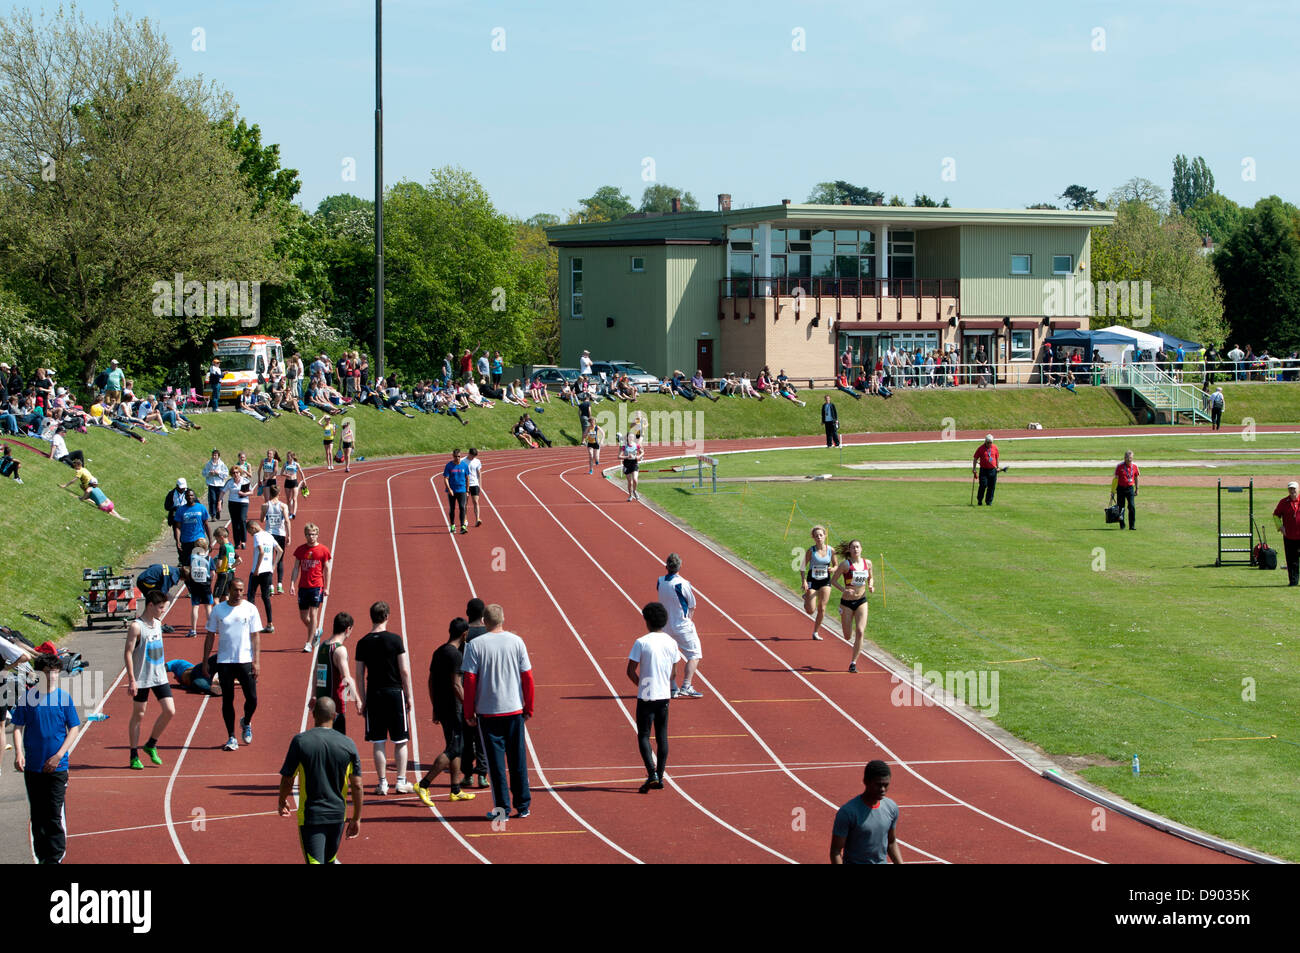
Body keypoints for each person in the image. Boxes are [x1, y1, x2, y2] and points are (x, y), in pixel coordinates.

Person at [461, 603, 533, 821]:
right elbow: (527, 677)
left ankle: (502, 809)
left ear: (484, 621)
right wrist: (528, 707)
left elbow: (470, 680)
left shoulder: (475, 644)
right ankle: (523, 806)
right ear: (503, 619)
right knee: (518, 759)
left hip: (488, 712)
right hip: (513, 710)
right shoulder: (517, 642)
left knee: (496, 764)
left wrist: (468, 710)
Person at [11, 646, 81, 863]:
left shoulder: (64, 698)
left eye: (54, 672)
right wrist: (18, 753)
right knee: (38, 815)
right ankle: (42, 856)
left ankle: (55, 857)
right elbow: (17, 726)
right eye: (46, 672)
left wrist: (59, 755)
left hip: (57, 768)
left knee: (53, 814)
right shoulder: (28, 698)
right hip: (33, 766)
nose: (51, 676)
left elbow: (74, 728)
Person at [278, 697, 363, 864]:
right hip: (338, 815)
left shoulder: (300, 742)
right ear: (334, 715)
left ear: (313, 714)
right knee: (329, 860)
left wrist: (282, 800)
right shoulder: (348, 744)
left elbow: (288, 778)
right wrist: (357, 818)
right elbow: (357, 785)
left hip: (312, 816)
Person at [415, 618, 478, 806]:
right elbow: (457, 685)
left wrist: (435, 707)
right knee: (453, 748)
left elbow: (430, 681)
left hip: (442, 707)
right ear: (464, 634)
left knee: (455, 746)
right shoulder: (456, 656)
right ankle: (424, 784)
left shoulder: (439, 652)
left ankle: (455, 790)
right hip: (453, 708)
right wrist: (469, 708)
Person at [355, 601, 415, 796]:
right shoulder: (396, 640)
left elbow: (359, 674)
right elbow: (404, 670)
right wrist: (408, 695)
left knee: (378, 740)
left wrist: (362, 699)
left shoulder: (362, 642)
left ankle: (382, 783)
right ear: (387, 616)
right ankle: (400, 781)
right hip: (394, 692)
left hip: (374, 693)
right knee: (401, 740)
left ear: (371, 617)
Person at [627, 601, 682, 794]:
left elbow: (630, 671)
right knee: (662, 735)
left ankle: (652, 774)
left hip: (646, 696)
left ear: (647, 621)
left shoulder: (642, 642)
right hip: (664, 695)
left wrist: (642, 685)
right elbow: (674, 673)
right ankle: (661, 774)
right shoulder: (671, 642)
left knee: (643, 734)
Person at [202, 577, 262, 751]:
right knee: (227, 700)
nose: (238, 593)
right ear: (229, 590)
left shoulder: (250, 609)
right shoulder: (218, 610)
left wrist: (256, 661)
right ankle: (231, 736)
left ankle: (246, 721)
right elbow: (210, 635)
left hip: (245, 661)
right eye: (235, 590)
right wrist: (205, 660)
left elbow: (255, 636)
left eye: (241, 590)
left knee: (252, 698)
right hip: (225, 662)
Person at [124, 590, 176, 769]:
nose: (163, 610)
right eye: (160, 607)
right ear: (150, 605)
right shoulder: (136, 627)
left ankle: (151, 744)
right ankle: (133, 754)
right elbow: (128, 653)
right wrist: (132, 680)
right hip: (142, 678)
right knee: (139, 714)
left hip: (159, 676)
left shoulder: (158, 623)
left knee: (170, 710)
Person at [830, 760, 902, 864]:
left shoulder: (891, 808)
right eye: (878, 784)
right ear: (866, 781)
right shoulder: (848, 812)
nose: (882, 789)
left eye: (886, 785)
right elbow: (835, 851)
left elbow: (891, 842)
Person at [656, 553, 703, 698]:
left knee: (670, 657)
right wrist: (688, 620)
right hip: (682, 625)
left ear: (666, 567)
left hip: (665, 626)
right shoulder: (683, 583)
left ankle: (672, 687)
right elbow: (692, 605)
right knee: (694, 654)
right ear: (680, 567)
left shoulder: (660, 581)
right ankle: (686, 686)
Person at [290, 521, 333, 653]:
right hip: (303, 586)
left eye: (313, 534)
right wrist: (292, 583)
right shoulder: (300, 550)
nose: (311, 537)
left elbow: (327, 569)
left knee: (313, 614)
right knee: (303, 616)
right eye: (309, 534)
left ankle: (309, 642)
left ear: (317, 535)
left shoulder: (323, 550)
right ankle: (316, 632)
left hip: (317, 586)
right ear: (305, 535)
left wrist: (327, 587)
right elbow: (296, 567)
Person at [831, 539, 873, 673]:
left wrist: (871, 585)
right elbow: (833, 581)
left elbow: (870, 577)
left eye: (857, 547)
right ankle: (842, 614)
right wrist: (844, 590)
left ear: (861, 549)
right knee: (847, 636)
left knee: (860, 631)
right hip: (847, 603)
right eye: (853, 547)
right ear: (849, 550)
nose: (855, 549)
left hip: (861, 601)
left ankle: (853, 662)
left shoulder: (868, 563)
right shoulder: (845, 565)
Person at [314, 612, 360, 733]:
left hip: (321, 705)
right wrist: (358, 701)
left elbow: (316, 672)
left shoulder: (323, 646)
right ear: (348, 629)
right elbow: (346, 678)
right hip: (335, 707)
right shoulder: (339, 650)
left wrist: (314, 694)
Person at [801, 525, 837, 640]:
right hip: (813, 580)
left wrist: (833, 569)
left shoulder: (831, 550)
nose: (819, 538)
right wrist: (804, 581)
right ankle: (807, 597)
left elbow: (836, 565)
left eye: (821, 535)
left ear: (825, 536)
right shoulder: (811, 551)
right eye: (816, 536)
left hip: (825, 581)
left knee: (822, 608)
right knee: (811, 610)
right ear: (813, 538)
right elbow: (802, 566)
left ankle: (816, 632)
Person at [246, 518, 282, 634]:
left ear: (253, 528)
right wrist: (274, 565)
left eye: (250, 532)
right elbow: (280, 551)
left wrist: (256, 569)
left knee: (251, 596)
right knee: (265, 597)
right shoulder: (269, 536)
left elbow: (261, 551)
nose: (251, 535)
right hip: (268, 571)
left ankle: (252, 624)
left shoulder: (257, 536)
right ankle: (270, 624)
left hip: (257, 571)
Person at [182, 535, 214, 639]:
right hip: (206, 584)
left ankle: (193, 630)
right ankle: (211, 629)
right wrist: (210, 581)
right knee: (208, 606)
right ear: (206, 547)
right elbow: (213, 573)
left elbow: (186, 569)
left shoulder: (191, 557)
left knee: (195, 607)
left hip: (194, 584)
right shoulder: (209, 559)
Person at [261, 485, 291, 594]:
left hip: (269, 534)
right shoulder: (283, 506)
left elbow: (261, 519)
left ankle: (271, 587)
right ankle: (279, 585)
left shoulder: (265, 505)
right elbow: (287, 521)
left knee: (269, 559)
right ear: (279, 494)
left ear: (270, 494)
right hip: (280, 534)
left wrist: (266, 517)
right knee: (280, 560)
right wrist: (289, 536)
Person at [1273, 481, 1300, 587]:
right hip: (1289, 537)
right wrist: (1280, 526)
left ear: (1298, 489)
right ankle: (1293, 581)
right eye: (1290, 489)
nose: (1292, 491)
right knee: (1291, 560)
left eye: (1294, 489)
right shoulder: (1283, 502)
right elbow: (1276, 515)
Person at [441, 448, 470, 535]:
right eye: (455, 456)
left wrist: (467, 490)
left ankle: (462, 526)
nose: (457, 458)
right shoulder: (449, 466)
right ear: (453, 456)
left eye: (459, 456)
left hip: (462, 490)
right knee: (452, 508)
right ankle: (452, 525)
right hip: (452, 491)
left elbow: (467, 478)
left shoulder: (464, 465)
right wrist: (449, 489)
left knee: (462, 507)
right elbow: (445, 478)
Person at [1110, 450, 1139, 531]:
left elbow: (1136, 477)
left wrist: (1137, 488)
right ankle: (1122, 525)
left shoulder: (1135, 466)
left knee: (1132, 506)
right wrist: (1112, 491)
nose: (1129, 460)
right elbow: (1115, 479)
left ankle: (1132, 525)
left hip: (1130, 488)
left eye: (1131, 458)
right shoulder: (1119, 466)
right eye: (1128, 458)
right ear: (1124, 458)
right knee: (1121, 508)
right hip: (1120, 488)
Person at [973, 434, 1000, 506]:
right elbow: (975, 458)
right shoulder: (980, 448)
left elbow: (997, 457)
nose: (989, 444)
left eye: (991, 442)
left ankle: (989, 501)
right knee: (983, 485)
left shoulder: (995, 448)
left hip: (993, 470)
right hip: (984, 470)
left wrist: (998, 467)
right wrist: (974, 468)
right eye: (988, 442)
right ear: (985, 441)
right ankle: (979, 500)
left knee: (991, 487)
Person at [202, 450, 229, 519]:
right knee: (212, 499)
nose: (214, 457)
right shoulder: (208, 464)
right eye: (213, 455)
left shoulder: (222, 464)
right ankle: (212, 514)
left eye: (216, 455)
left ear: (218, 456)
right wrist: (209, 473)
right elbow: (204, 473)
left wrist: (218, 473)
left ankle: (218, 511)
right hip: (211, 484)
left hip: (220, 484)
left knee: (219, 499)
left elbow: (226, 474)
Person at [281, 451, 306, 519]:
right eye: (287, 457)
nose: (287, 458)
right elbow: (281, 473)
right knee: (288, 499)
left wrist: (304, 480)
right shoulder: (285, 464)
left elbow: (301, 472)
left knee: (294, 499)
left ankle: (294, 513)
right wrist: (287, 475)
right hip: (287, 482)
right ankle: (290, 512)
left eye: (288, 457)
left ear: (292, 457)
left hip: (294, 482)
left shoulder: (296, 464)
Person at [621, 431, 643, 502]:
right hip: (627, 465)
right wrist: (627, 456)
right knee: (630, 482)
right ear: (627, 438)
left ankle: (634, 491)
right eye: (630, 437)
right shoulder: (624, 446)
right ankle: (630, 495)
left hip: (634, 464)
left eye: (632, 437)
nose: (631, 438)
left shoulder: (636, 445)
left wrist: (639, 456)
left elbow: (642, 452)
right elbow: (619, 456)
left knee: (635, 479)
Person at [465, 447, 483, 528]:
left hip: (475, 484)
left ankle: (477, 519)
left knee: (476, 502)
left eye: (474, 456)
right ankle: (465, 520)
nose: (473, 458)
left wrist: (480, 485)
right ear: (469, 453)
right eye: (472, 456)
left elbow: (479, 473)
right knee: (465, 503)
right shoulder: (462, 461)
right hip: (465, 485)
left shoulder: (477, 461)